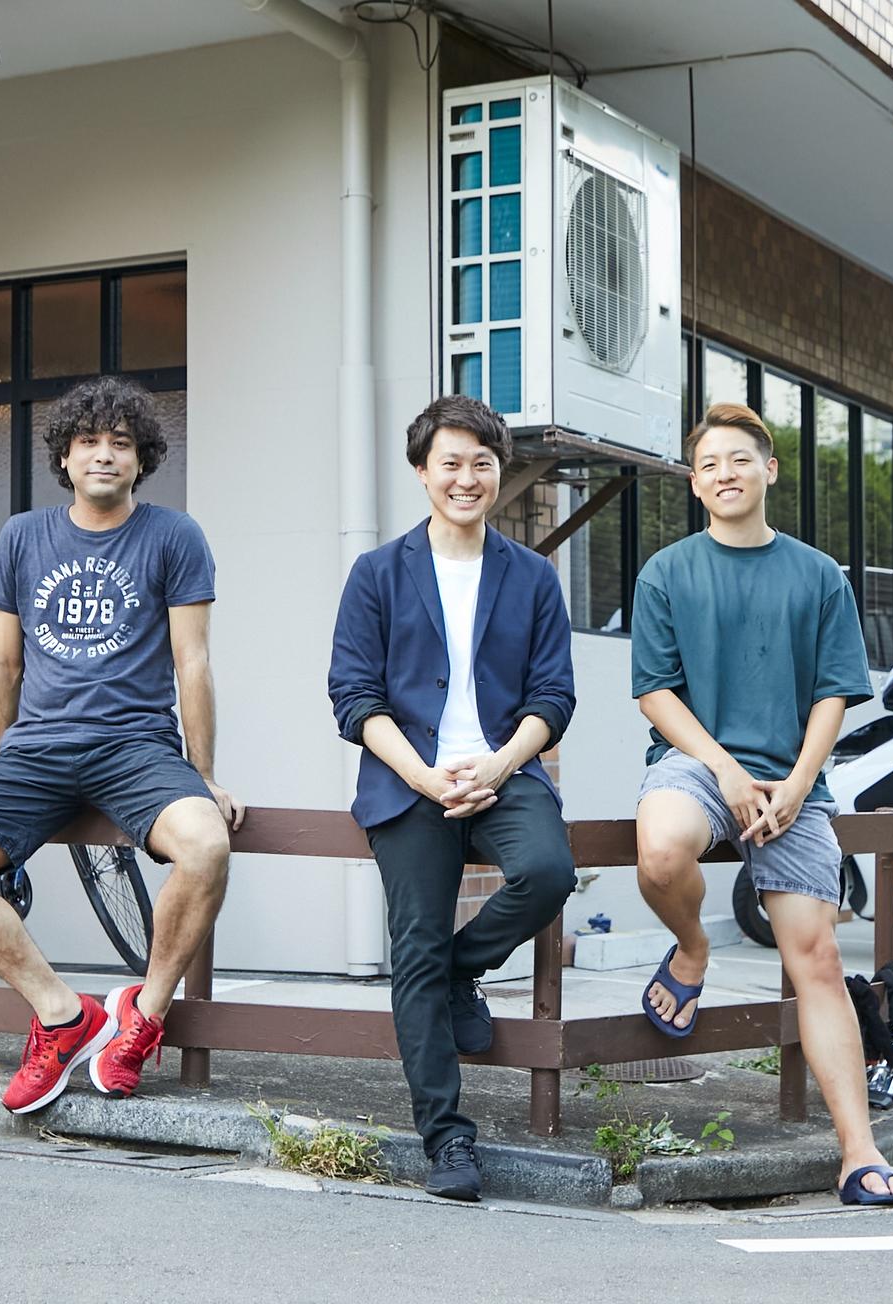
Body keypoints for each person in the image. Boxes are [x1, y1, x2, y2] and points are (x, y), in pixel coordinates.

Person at [0, 375, 244, 1115]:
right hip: (37, 752)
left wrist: (204, 773)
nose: (103, 455)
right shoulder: (22, 536)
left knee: (206, 846)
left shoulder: (174, 535)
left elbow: (192, 661)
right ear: (65, 456)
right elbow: (3, 663)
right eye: (88, 441)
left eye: (121, 443)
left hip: (136, 746)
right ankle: (62, 1015)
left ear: (141, 458)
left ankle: (143, 1017)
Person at [629, 400, 893, 1206]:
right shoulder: (666, 573)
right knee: (661, 852)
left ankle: (859, 1154)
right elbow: (655, 693)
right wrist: (724, 769)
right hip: (698, 765)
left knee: (815, 956)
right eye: (709, 464)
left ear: (770, 470)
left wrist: (796, 784)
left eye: (739, 459)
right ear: (695, 484)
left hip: (796, 781)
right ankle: (692, 950)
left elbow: (834, 693)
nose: (724, 473)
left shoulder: (818, 575)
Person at [327, 395, 577, 1202]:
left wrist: (499, 766)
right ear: (422, 471)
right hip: (410, 783)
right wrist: (425, 776)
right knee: (415, 943)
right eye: (451, 463)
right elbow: (354, 698)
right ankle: (448, 1138)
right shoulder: (378, 573)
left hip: (506, 772)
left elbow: (554, 696)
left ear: (499, 472)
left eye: (482, 463)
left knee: (548, 872)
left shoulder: (532, 576)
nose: (467, 478)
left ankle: (459, 969)